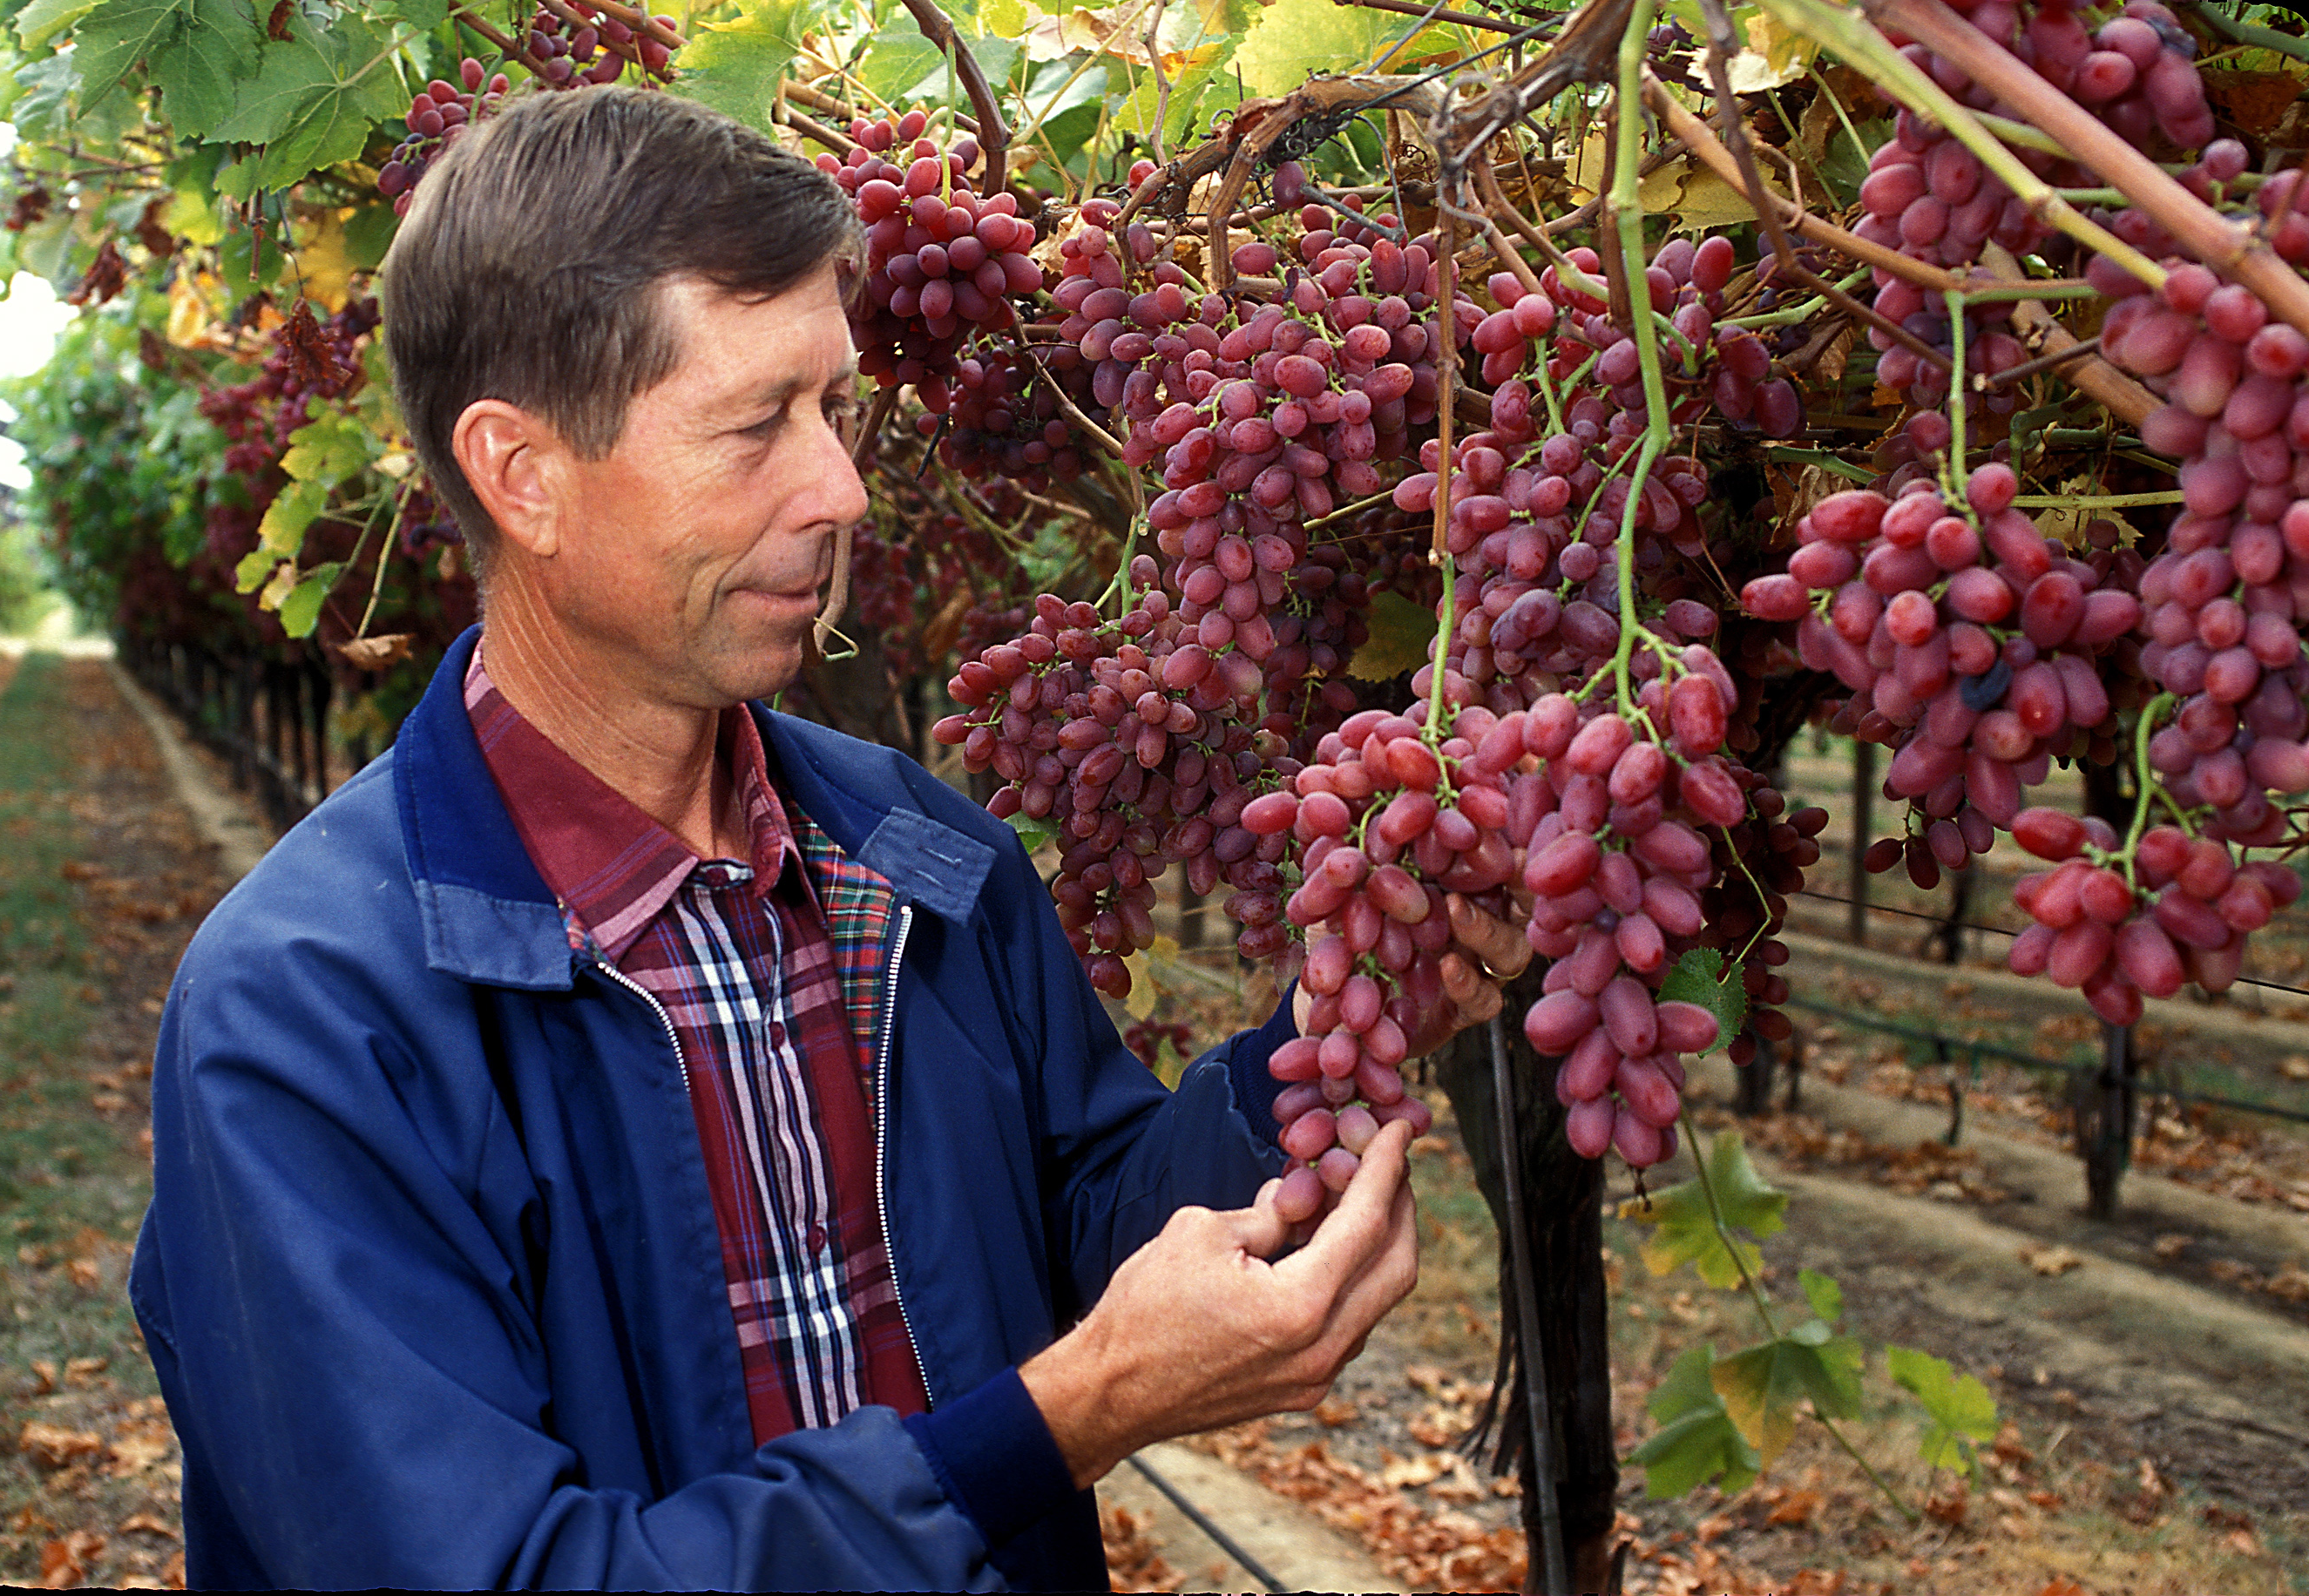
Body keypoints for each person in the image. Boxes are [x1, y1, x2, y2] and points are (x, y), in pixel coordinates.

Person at [129, 86, 1527, 1591]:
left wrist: (1305, 1050)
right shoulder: (303, 1019)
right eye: (754, 428)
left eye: (836, 409)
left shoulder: (915, 850)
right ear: (521, 474)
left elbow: (1077, 1226)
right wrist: (1070, 1417)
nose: (844, 491)